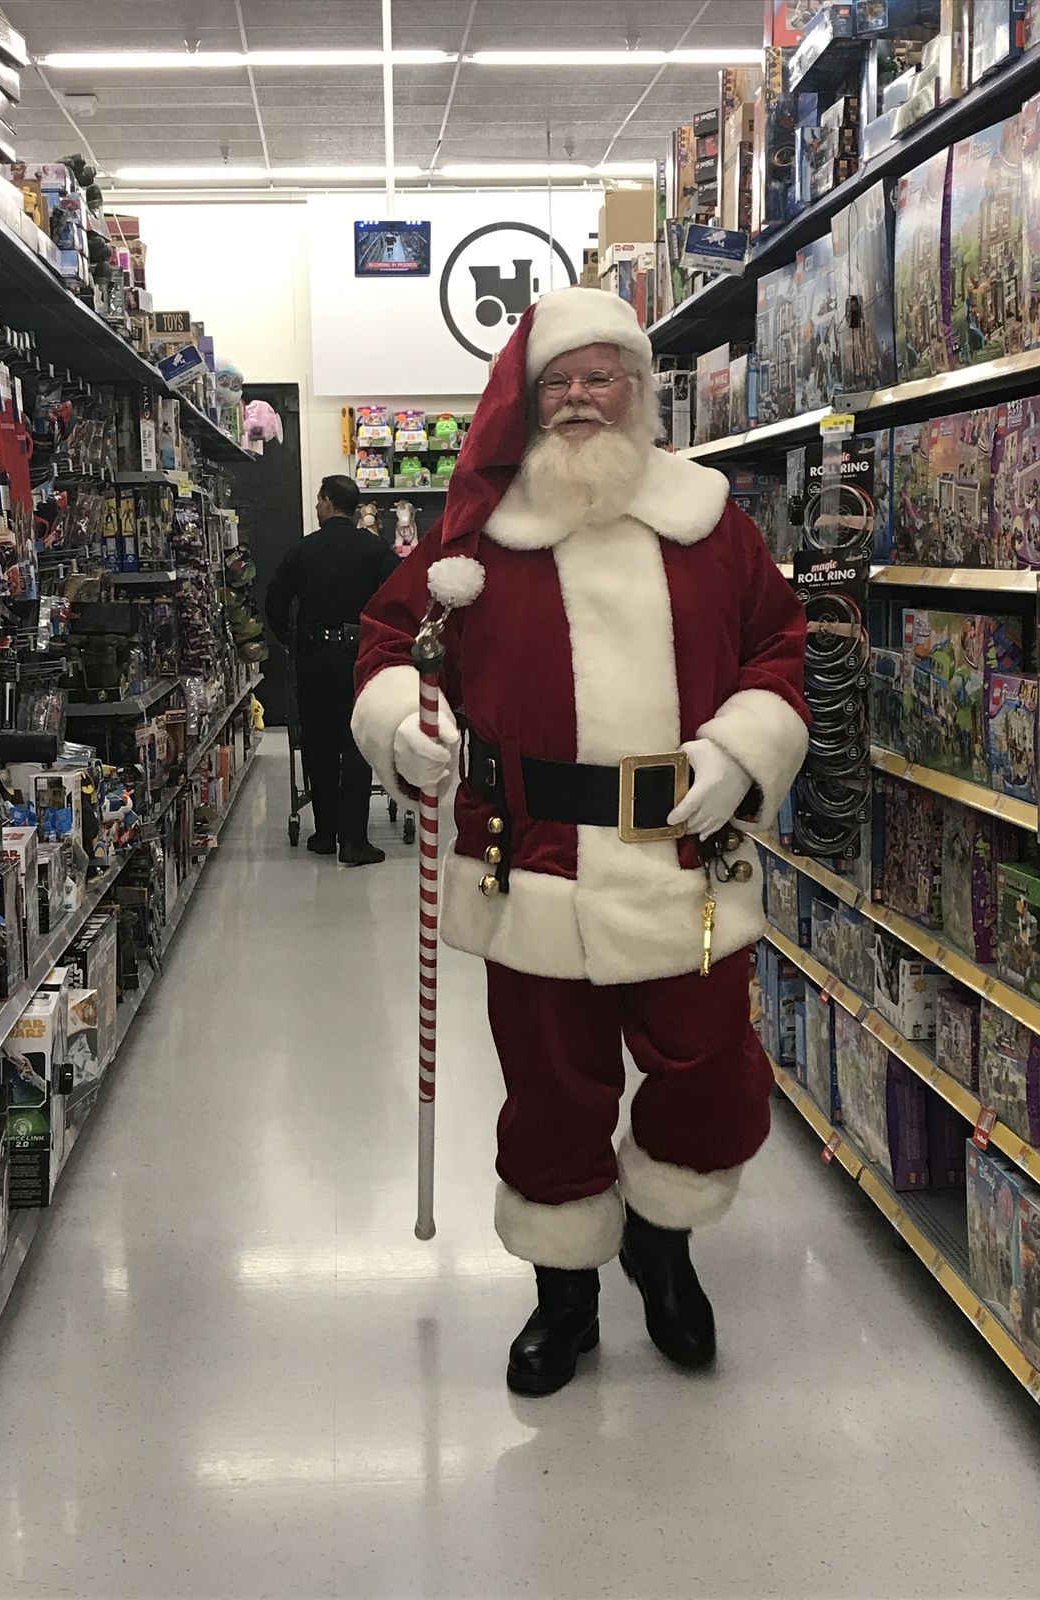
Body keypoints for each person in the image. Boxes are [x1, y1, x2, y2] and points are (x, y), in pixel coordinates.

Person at [352, 288, 809, 1394]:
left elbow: (779, 650)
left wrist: (742, 752)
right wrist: (406, 726)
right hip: (534, 863)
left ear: (641, 391)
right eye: (556, 382)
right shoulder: (481, 539)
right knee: (551, 1088)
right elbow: (387, 643)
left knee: (711, 1075)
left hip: (684, 862)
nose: (577, 399)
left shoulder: (712, 522)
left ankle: (663, 1239)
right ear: (528, 399)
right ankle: (563, 1290)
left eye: (599, 377)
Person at [266, 474, 399, 865]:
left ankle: (325, 833)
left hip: (312, 658)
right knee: (356, 742)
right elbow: (399, 596)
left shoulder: (303, 551)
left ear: (326, 502)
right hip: (360, 657)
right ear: (356, 508)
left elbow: (275, 600)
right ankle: (354, 841)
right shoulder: (376, 551)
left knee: (319, 742)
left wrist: (290, 640)